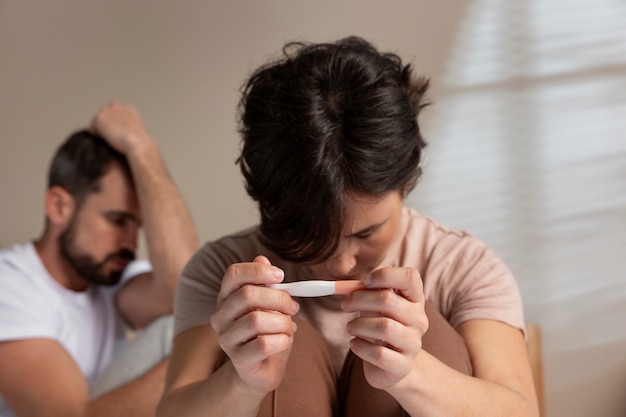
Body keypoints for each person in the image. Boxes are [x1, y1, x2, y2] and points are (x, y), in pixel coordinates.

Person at [157, 37, 539, 417]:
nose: (340, 266)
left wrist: (411, 374)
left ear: (405, 183)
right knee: (282, 348)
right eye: (314, 235)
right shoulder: (223, 271)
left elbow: (520, 409)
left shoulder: (461, 265)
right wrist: (243, 383)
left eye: (365, 234)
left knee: (428, 335)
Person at [0, 103, 199, 417]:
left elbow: (185, 289)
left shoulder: (109, 280)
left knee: (184, 324)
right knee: (203, 335)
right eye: (117, 221)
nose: (130, 243)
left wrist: (143, 148)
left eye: (138, 227)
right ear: (59, 207)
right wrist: (202, 355)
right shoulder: (8, 287)